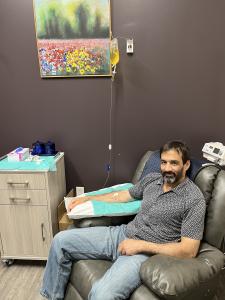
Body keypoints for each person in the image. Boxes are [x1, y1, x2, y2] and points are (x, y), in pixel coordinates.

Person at [40, 140, 206, 300]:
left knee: (102, 295)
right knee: (60, 241)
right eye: (163, 162)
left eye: (174, 163)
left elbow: (188, 250)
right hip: (121, 234)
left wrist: (140, 245)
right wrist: (89, 199)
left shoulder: (193, 199)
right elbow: (123, 196)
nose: (167, 168)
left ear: (186, 165)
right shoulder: (153, 180)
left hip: (144, 253)